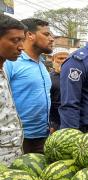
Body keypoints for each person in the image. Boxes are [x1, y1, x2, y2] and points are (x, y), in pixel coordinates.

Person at [5, 18, 54, 154]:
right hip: (18, 139)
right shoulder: (11, 62)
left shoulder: (42, 65)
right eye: (46, 34)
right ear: (29, 35)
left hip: (43, 136)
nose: (51, 39)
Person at [0, 15, 25, 165]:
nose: (21, 46)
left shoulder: (3, 70)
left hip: (13, 156)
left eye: (22, 40)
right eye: (15, 40)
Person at [49, 47, 69, 133]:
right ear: (53, 59)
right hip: (56, 121)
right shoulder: (49, 78)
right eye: (60, 58)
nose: (64, 61)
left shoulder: (73, 77)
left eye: (66, 58)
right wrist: (52, 124)